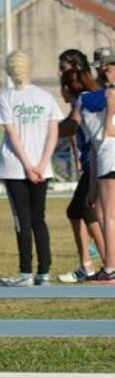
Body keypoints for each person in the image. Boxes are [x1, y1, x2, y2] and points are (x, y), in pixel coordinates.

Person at [0, 51, 63, 287]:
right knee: (39, 219)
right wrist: (42, 164)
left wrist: (27, 165)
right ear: (29, 68)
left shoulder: (6, 98)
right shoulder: (45, 97)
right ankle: (44, 272)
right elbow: (53, 132)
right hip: (41, 168)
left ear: (9, 71)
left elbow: (12, 134)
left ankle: (25, 272)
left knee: (21, 220)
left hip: (15, 167)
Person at [57, 65, 105, 282]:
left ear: (69, 88)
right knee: (78, 210)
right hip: (93, 162)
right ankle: (87, 264)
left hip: (97, 161)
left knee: (87, 210)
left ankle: (108, 264)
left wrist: (43, 130)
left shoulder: (83, 101)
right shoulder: (88, 99)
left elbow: (71, 126)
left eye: (62, 87)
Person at [80, 53, 115, 282]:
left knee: (109, 216)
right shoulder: (92, 99)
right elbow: (94, 145)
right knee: (104, 214)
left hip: (110, 157)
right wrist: (91, 186)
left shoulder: (105, 96)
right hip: (105, 158)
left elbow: (107, 133)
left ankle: (111, 267)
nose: (105, 71)